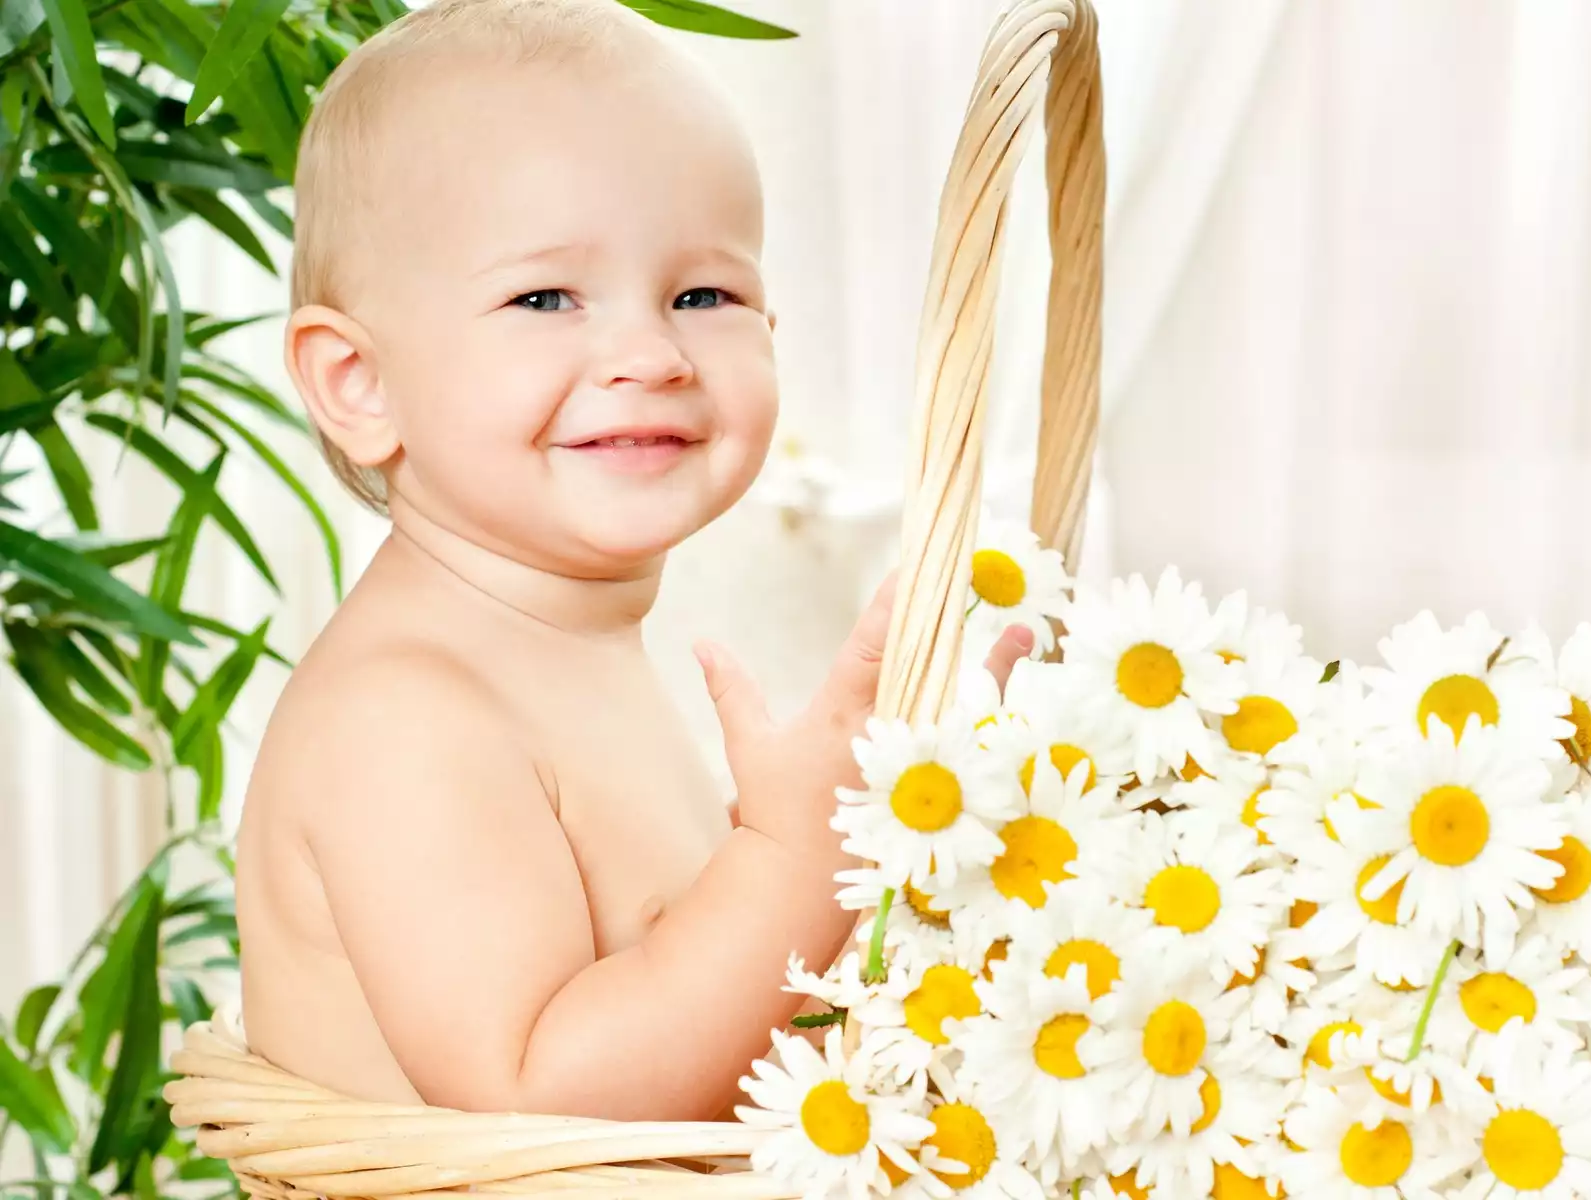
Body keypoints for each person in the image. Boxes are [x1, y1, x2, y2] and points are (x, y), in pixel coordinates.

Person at [233, 0, 1029, 1123]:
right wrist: (797, 848)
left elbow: (715, 1007)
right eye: (544, 297)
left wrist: (908, 834)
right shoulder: (403, 714)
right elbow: (538, 1099)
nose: (651, 355)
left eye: (702, 295)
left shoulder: (556, 642)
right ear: (360, 385)